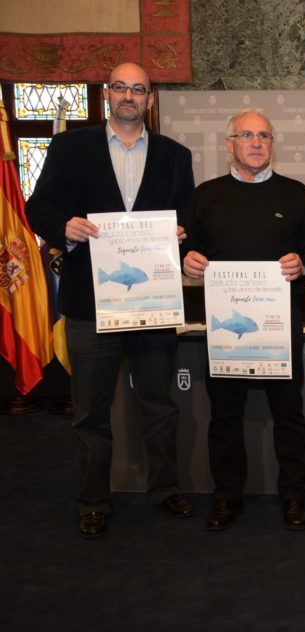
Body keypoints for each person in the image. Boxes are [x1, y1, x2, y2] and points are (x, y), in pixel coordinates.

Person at [26, 62, 195, 539]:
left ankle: (165, 488)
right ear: (107, 94)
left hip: (154, 306)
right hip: (89, 306)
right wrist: (64, 227)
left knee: (159, 406)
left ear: (150, 99)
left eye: (138, 89)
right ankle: (93, 500)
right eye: (120, 87)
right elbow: (37, 206)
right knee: (90, 412)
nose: (129, 96)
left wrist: (184, 234)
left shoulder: (175, 155)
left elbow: (189, 215)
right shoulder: (70, 147)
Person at [183, 109, 305, 531]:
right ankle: (227, 497)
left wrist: (303, 263)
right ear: (230, 143)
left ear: (272, 144)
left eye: (264, 135)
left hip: (280, 328)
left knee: (289, 416)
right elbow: (187, 248)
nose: (257, 143)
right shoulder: (205, 195)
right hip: (226, 330)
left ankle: (294, 497)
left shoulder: (296, 194)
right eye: (246, 135)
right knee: (224, 417)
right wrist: (187, 260)